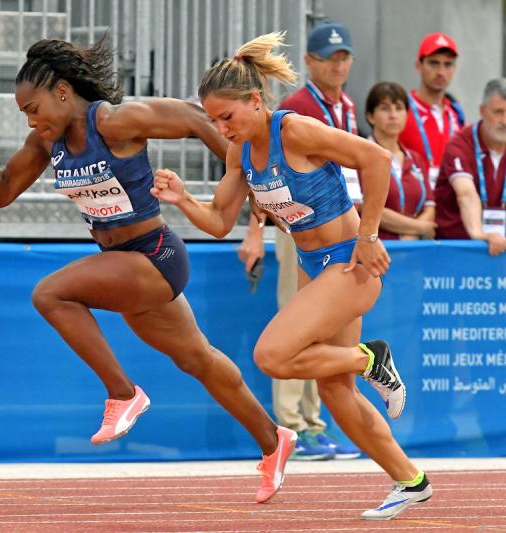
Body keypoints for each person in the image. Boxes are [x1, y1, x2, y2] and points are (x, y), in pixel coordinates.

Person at [0, 38, 297, 503]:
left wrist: (248, 180)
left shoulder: (113, 121)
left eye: (33, 108)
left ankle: (122, 394)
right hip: (127, 269)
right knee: (197, 359)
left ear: (62, 92)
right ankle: (273, 440)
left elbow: (194, 118)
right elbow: (1, 193)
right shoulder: (47, 142)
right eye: (24, 114)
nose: (31, 120)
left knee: (51, 294)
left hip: (154, 256)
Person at [153, 32, 432, 520]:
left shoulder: (295, 130)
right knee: (334, 391)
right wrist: (183, 201)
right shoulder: (238, 153)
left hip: (350, 263)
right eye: (213, 119)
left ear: (256, 102)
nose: (222, 127)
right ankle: (411, 480)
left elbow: (376, 159)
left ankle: (370, 359)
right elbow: (220, 221)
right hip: (314, 267)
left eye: (228, 117)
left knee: (272, 355)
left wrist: (369, 236)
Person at [239, 20, 361, 461]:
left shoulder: (344, 104)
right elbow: (260, 174)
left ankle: (313, 422)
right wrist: (255, 231)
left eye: (344, 56)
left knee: (322, 328)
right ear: (309, 62)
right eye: (330, 58)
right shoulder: (296, 107)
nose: (338, 64)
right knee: (295, 322)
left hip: (334, 223)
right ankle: (291, 421)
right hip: (299, 231)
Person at [434, 79, 506, 256]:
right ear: (482, 110)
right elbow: (466, 194)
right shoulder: (459, 145)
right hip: (458, 250)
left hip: (500, 248)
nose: (505, 120)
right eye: (499, 112)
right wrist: (479, 233)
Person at [365, 82, 436, 240]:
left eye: (399, 108)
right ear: (370, 116)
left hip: (414, 251)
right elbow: (367, 208)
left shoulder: (416, 159)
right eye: (385, 108)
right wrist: (418, 229)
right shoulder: (360, 155)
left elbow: (430, 208)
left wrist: (409, 237)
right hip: (377, 252)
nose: (393, 115)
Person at [400, 32, 464, 188]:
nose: (441, 72)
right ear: (419, 66)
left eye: (448, 64)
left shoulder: (456, 114)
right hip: (413, 206)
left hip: (448, 205)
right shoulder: (401, 109)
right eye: (434, 63)